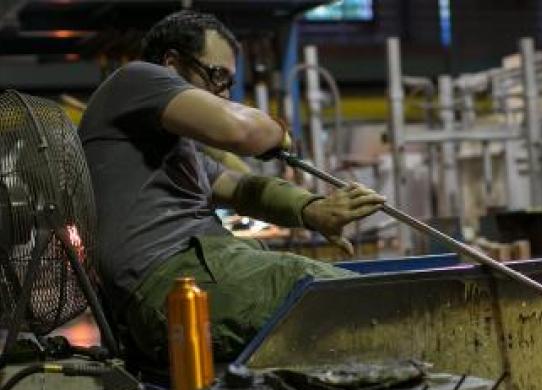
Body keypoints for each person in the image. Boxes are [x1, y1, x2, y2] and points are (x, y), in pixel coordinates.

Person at [78, 10, 386, 363]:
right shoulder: (137, 79)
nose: (223, 93)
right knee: (350, 302)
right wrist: (278, 131)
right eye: (216, 76)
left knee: (338, 296)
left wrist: (312, 209)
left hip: (194, 274)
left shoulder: (172, 148)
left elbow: (237, 187)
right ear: (171, 63)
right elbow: (239, 131)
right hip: (174, 282)